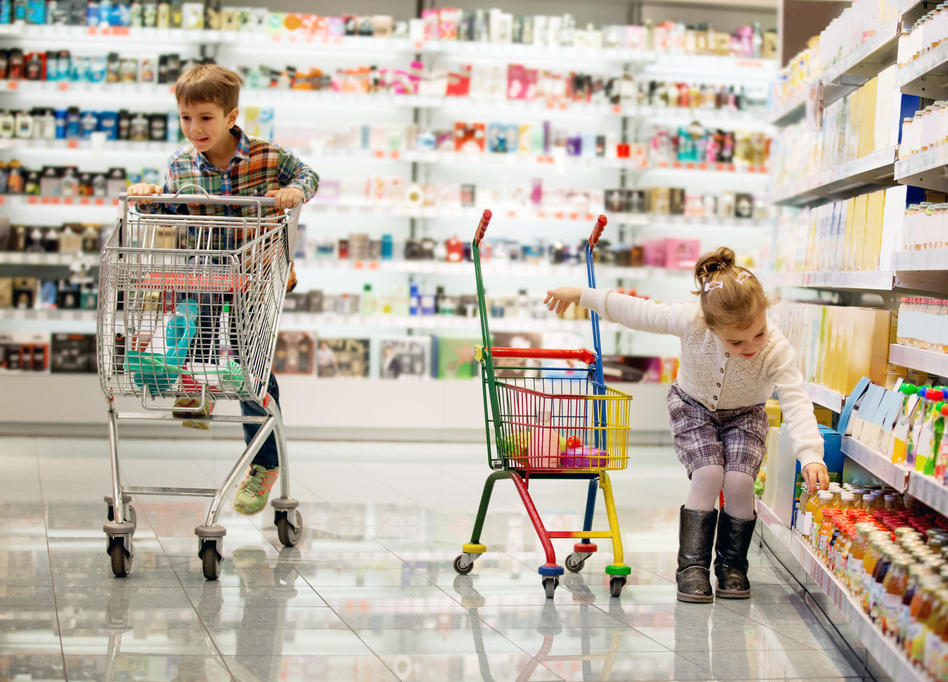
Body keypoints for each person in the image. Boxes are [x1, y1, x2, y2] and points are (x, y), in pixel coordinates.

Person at [543, 247, 830, 603]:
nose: (751, 346)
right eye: (736, 341)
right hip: (693, 408)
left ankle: (732, 566)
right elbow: (638, 312)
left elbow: (796, 398)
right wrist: (582, 296)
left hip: (746, 414)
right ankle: (692, 567)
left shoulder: (776, 348)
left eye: (758, 334)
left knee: (740, 482)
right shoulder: (691, 320)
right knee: (708, 474)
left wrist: (811, 454)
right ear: (710, 326)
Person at [127, 63, 319, 516]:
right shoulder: (179, 164)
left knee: (249, 365)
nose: (194, 129)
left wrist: (294, 191)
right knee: (196, 324)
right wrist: (151, 195)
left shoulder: (268, 156)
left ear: (231, 116)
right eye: (186, 118)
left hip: (258, 277)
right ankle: (198, 389)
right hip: (206, 273)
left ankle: (262, 465)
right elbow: (173, 212)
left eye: (206, 118)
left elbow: (308, 176)